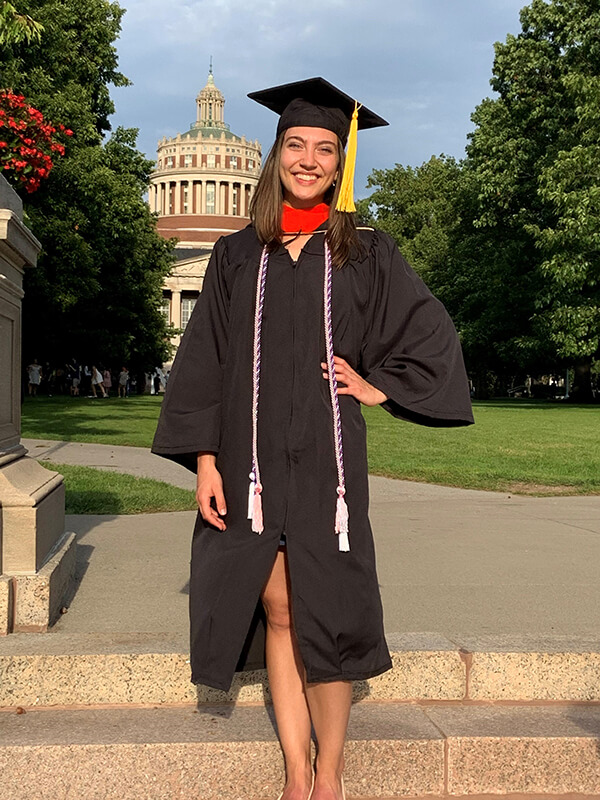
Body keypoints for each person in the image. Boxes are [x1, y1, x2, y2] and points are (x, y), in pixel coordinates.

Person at [152, 78, 474, 800]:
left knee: (325, 608)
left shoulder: (366, 251)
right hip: (248, 459)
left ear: (339, 163)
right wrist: (205, 461)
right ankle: (298, 768)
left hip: (328, 465)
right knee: (279, 608)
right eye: (295, 145)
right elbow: (206, 358)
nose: (308, 158)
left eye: (324, 148)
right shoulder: (239, 256)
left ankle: (331, 771)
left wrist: (377, 385)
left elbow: (430, 333)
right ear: (277, 156)